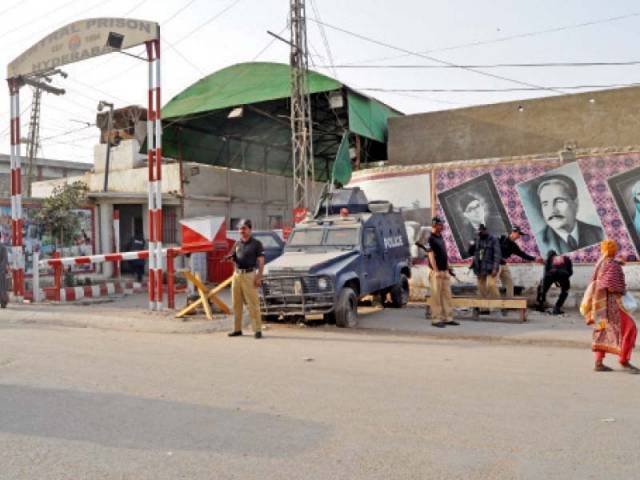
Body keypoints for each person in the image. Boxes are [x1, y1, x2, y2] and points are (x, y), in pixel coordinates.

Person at [581, 239, 638, 373]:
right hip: (612, 303)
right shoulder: (612, 265)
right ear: (613, 250)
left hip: (599, 304)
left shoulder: (600, 263)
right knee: (630, 328)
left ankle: (598, 362)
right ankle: (624, 360)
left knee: (602, 329)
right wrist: (622, 290)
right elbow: (611, 287)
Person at [535, 174, 604, 254]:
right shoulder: (537, 242)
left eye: (559, 201)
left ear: (576, 204)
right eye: (545, 204)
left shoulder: (600, 233)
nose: (552, 210)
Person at [227, 219, 265, 339]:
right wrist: (231, 259)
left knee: (252, 303)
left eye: (244, 228)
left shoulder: (256, 244)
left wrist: (259, 276)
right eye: (240, 229)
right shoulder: (237, 244)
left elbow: (261, 261)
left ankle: (257, 330)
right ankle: (237, 329)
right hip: (237, 275)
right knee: (236, 303)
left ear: (250, 229)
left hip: (249, 275)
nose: (241, 231)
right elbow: (234, 258)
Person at [423, 216, 458, 328]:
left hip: (444, 271)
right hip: (436, 272)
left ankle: (447, 318)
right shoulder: (429, 238)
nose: (442, 226)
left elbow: (443, 254)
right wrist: (436, 270)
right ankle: (436, 319)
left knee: (446, 296)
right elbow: (431, 255)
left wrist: (448, 268)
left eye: (442, 224)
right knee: (436, 296)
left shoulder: (440, 236)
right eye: (440, 224)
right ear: (434, 225)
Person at [498, 226, 540, 298]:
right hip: (495, 263)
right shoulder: (501, 238)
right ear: (513, 232)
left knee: (509, 283)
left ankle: (510, 301)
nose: (519, 236)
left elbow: (522, 254)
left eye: (520, 235)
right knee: (491, 284)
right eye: (518, 234)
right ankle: (490, 302)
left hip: (503, 264)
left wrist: (535, 258)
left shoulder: (514, 246)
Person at [468, 224, 501, 299]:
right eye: (478, 232)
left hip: (490, 267)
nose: (479, 233)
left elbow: (497, 254)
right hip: (479, 267)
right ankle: (483, 308)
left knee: (491, 285)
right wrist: (470, 246)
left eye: (481, 232)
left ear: (485, 230)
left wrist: (495, 268)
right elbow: (471, 253)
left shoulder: (493, 240)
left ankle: (498, 305)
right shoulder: (477, 239)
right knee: (481, 288)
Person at [535, 249, 573, 315]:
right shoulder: (566, 258)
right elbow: (570, 272)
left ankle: (540, 305)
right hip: (563, 274)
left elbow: (546, 273)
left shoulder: (549, 259)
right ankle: (557, 308)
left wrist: (543, 285)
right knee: (565, 291)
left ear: (549, 255)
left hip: (551, 274)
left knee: (542, 289)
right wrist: (564, 281)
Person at [0, 240, 8, 309]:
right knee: (2, 286)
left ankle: (3, 301)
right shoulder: (3, 247)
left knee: (2, 287)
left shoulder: (2, 247)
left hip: (1, 271)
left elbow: (4, 260)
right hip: (1, 270)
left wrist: (2, 269)